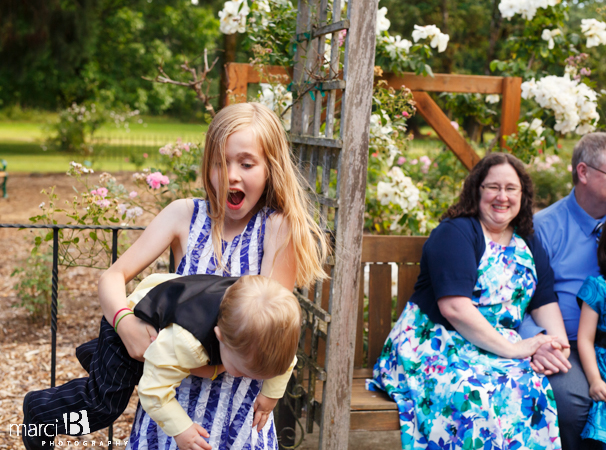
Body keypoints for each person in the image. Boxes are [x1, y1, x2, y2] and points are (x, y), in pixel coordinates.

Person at [90, 102, 326, 449]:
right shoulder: (183, 215)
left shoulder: (277, 230)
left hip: (238, 417)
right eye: (220, 162)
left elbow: (265, 334)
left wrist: (172, 356)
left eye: (246, 164)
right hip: (171, 413)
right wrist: (125, 324)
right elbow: (112, 277)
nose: (231, 175)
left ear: (270, 168)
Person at [368, 152, 569, 450]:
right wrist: (516, 350)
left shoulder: (528, 241)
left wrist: (554, 346)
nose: (502, 196)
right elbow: (455, 308)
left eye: (511, 188)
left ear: (522, 195)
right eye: (493, 187)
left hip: (493, 348)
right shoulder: (457, 232)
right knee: (478, 394)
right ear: (477, 190)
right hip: (435, 344)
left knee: (531, 387)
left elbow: (545, 302)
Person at [22, 274, 301, 450]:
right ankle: (40, 412)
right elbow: (154, 391)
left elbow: (286, 361)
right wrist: (182, 429)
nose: (244, 377)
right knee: (104, 406)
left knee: (144, 369)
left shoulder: (251, 320)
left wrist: (270, 393)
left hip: (163, 322)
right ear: (219, 337)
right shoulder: (187, 343)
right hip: (133, 330)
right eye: (241, 370)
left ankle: (97, 357)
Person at [519, 132, 606, 449]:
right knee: (572, 400)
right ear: (583, 172)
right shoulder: (543, 228)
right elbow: (520, 299)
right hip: (568, 345)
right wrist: (539, 340)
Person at [576, 212, 606, 450]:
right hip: (605, 369)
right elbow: (584, 338)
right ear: (604, 245)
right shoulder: (597, 287)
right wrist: (594, 380)